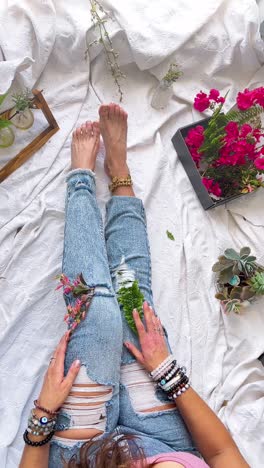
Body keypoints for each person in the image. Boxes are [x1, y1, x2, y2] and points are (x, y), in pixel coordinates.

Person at [19, 104, 249, 468]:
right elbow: (222, 453)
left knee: (98, 315)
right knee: (133, 303)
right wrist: (168, 374)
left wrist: (44, 414)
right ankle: (119, 174)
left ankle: (80, 178)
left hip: (84, 456)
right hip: (161, 438)